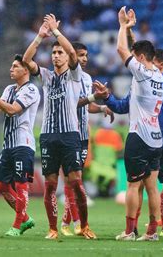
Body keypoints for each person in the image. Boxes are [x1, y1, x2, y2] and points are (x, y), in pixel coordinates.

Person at [97, 46, 163, 238]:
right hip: (156, 140)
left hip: (159, 141)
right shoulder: (143, 83)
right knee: (146, 186)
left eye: (152, 63)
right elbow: (123, 106)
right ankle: (149, 229)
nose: (146, 66)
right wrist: (108, 98)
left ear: (160, 65)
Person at [22, 14, 97, 240]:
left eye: (59, 52)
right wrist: (39, 37)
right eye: (53, 52)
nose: (56, 56)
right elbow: (26, 60)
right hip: (48, 136)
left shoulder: (75, 75)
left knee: (75, 182)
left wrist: (56, 32)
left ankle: (84, 225)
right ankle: (53, 228)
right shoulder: (45, 76)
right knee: (51, 185)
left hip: (70, 135)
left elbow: (74, 53)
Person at [112, 6, 163, 241]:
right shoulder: (158, 75)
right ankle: (152, 231)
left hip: (139, 136)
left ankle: (129, 231)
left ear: (141, 59)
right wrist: (133, 30)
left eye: (137, 57)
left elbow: (121, 49)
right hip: (156, 138)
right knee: (152, 186)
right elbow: (135, 50)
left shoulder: (141, 73)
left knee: (133, 186)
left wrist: (123, 26)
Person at [60, 42, 114, 237]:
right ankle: (74, 223)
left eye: (86, 55)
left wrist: (100, 108)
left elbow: (84, 105)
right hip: (68, 134)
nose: (84, 59)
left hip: (82, 135)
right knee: (73, 180)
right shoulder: (65, 78)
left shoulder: (87, 78)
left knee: (74, 181)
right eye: (81, 55)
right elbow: (72, 104)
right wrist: (94, 98)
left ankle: (68, 222)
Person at [0, 54, 40, 236]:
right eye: (11, 65)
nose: (11, 69)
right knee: (2, 186)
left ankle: (17, 226)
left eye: (15, 66)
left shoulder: (31, 90)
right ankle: (25, 219)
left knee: (20, 184)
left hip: (23, 144)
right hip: (8, 144)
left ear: (26, 70)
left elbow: (12, 110)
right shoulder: (9, 89)